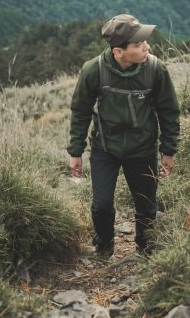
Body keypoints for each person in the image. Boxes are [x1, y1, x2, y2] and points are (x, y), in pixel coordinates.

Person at [67, 13, 180, 258]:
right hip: (105, 149)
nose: (146, 47)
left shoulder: (155, 69)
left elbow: (169, 111)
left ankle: (145, 249)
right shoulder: (93, 70)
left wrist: (168, 150)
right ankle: (104, 247)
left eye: (145, 42)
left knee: (146, 204)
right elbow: (80, 111)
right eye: (138, 44)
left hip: (143, 149)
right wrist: (75, 151)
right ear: (118, 51)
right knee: (102, 205)